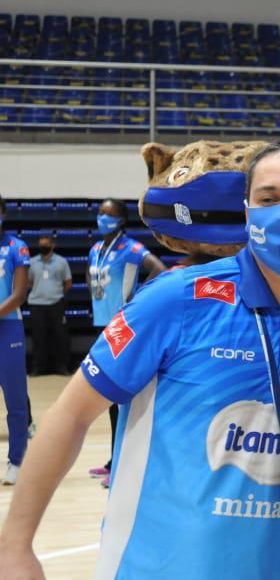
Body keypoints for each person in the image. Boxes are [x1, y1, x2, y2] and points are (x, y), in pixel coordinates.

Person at [0, 139, 280, 580]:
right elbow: (69, 415)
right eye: (268, 198)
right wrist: (14, 545)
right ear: (246, 213)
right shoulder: (176, 299)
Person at [87, 198, 165, 487]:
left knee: (121, 398)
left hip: (122, 328)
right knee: (110, 399)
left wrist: (137, 299)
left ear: (121, 220)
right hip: (101, 324)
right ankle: (113, 461)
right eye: (100, 213)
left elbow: (158, 267)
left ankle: (124, 465)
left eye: (109, 214)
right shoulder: (96, 248)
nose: (102, 218)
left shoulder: (130, 248)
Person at [0, 195, 30, 486]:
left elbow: (19, 295)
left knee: (15, 400)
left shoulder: (16, 247)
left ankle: (17, 460)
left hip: (7, 329)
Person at [27, 234, 72, 376]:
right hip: (36, 304)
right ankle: (39, 367)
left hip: (56, 303)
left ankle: (62, 366)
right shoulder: (32, 262)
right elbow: (28, 282)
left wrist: (56, 293)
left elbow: (68, 282)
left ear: (52, 245)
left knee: (61, 336)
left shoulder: (62, 262)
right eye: (41, 245)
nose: (43, 248)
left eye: (46, 245)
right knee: (38, 337)